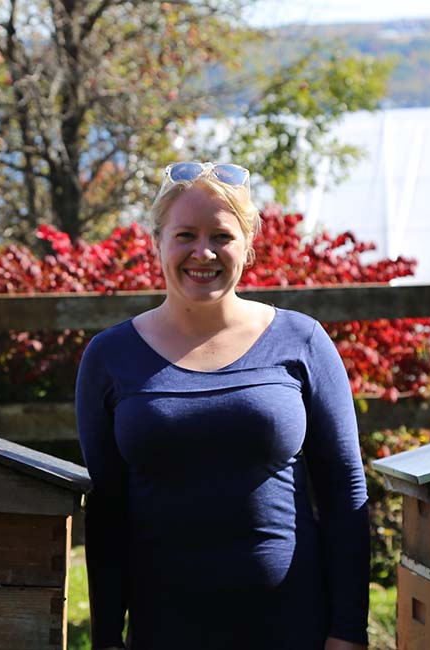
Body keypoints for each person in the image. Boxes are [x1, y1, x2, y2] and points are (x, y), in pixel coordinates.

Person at [75, 161, 369, 650]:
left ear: (248, 244)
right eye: (185, 234)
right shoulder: (109, 356)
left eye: (222, 236)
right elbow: (106, 511)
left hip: (293, 623)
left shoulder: (302, 341)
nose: (203, 252)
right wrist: (106, 636)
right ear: (158, 243)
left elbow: (345, 491)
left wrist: (348, 630)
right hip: (164, 628)